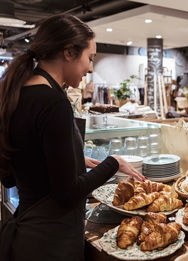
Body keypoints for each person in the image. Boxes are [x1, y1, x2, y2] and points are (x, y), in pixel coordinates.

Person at [0, 14, 146, 261]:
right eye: (89, 58)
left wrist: (75, 159)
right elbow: (66, 193)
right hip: (52, 243)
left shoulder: (19, 93)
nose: (90, 68)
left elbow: (11, 178)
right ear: (68, 52)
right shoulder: (53, 102)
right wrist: (114, 163)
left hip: (26, 235)